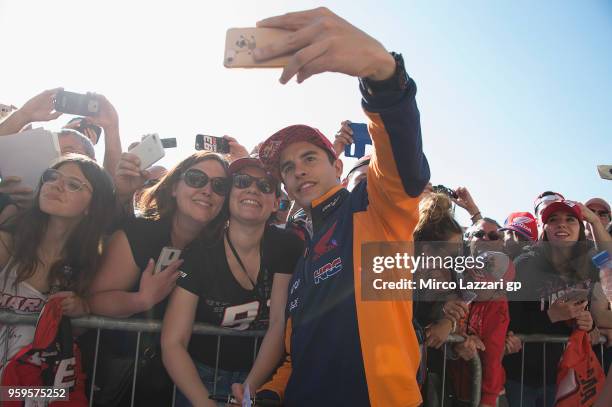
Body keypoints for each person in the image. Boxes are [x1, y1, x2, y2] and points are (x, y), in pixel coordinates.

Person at [241, 7, 430, 406]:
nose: (297, 171)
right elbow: (300, 356)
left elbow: (404, 169)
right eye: (287, 167)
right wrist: (271, 393)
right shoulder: (303, 255)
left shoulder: (372, 210)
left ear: (337, 165)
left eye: (309, 157)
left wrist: (382, 77)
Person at [87, 151, 230, 407]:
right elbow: (93, 300)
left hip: (176, 380)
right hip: (119, 371)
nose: (208, 189)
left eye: (220, 186)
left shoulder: (218, 247)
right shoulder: (138, 233)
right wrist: (141, 300)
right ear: (175, 186)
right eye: (197, 179)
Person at [161, 157, 303, 407]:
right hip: (200, 378)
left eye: (265, 185)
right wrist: (205, 404)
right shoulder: (200, 252)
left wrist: (249, 389)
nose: (252, 189)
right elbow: (173, 341)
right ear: (228, 195)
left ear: (276, 203)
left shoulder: (286, 246)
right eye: (242, 181)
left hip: (264, 379)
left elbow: (278, 323)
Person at [0, 155, 115, 373]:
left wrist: (82, 310)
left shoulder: (90, 262)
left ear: (92, 206)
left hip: (33, 386)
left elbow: (76, 333)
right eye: (52, 177)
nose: (56, 185)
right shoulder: (8, 242)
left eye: (72, 184)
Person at [503, 200, 609, 407]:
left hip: (567, 376)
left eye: (571, 220)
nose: (562, 224)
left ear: (581, 228)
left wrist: (589, 323)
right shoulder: (525, 263)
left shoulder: (589, 263)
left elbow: (610, 260)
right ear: (544, 229)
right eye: (553, 220)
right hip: (522, 376)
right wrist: (550, 315)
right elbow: (507, 317)